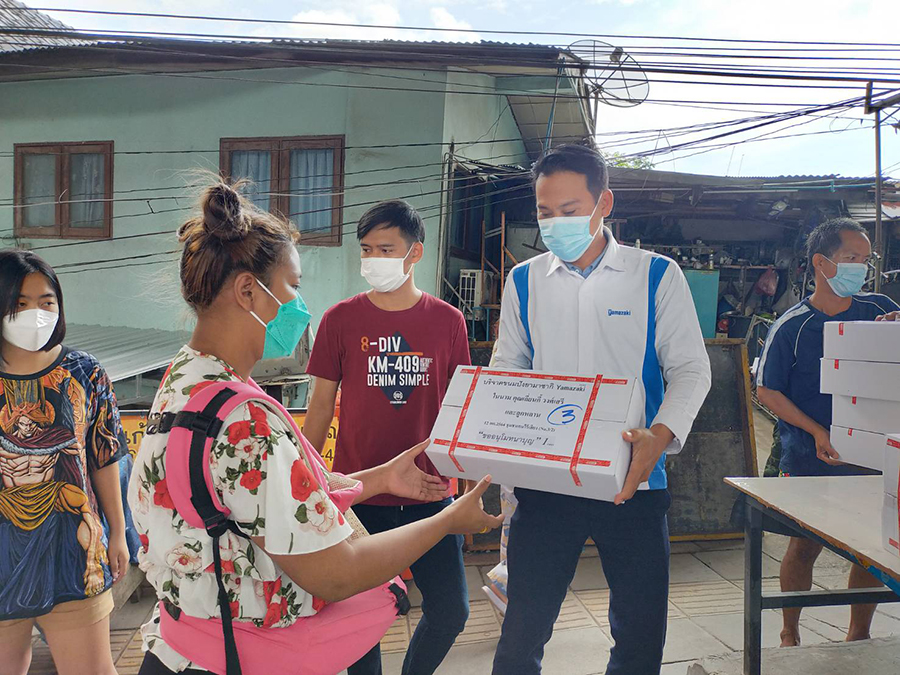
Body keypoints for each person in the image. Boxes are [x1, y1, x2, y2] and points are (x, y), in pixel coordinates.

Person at [129, 182, 500, 675]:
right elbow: (337, 574)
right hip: (238, 655)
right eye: (293, 285)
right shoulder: (247, 419)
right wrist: (449, 521)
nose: (298, 304)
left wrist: (382, 476)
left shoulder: (186, 377)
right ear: (247, 291)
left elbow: (268, 501)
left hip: (183, 645)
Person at [490, 144, 712, 675]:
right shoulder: (523, 281)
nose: (556, 223)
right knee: (523, 628)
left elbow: (691, 370)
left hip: (634, 479)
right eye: (545, 212)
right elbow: (506, 372)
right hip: (547, 484)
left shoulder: (655, 275)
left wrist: (661, 435)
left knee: (639, 633)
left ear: (603, 202)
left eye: (569, 211)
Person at [304, 199, 474, 675]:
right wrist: (309, 480)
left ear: (414, 253)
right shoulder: (340, 319)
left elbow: (461, 408)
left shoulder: (448, 321)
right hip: (361, 493)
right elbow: (319, 407)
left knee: (451, 610)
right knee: (363, 617)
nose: (373, 259)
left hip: (431, 494)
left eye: (385, 248)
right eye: (366, 249)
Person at [756, 217, 900, 647]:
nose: (862, 267)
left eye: (866, 259)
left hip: (871, 452)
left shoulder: (877, 310)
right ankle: (789, 632)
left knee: (869, 547)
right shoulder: (793, 325)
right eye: (851, 258)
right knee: (804, 545)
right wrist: (817, 431)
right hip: (808, 453)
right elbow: (766, 389)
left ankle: (858, 634)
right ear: (822, 262)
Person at [0, 249, 130, 675]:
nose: (36, 313)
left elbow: (104, 457)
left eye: (46, 301)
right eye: (20, 303)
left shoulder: (85, 372)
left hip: (75, 555)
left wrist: (117, 534)